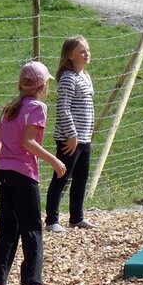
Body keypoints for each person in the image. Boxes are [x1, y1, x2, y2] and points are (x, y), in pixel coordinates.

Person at [0, 61, 67, 285]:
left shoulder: (8, 108)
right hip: (24, 174)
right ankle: (33, 279)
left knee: (7, 227)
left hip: (3, 172)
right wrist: (54, 160)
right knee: (32, 226)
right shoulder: (37, 108)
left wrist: (5, 161)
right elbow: (28, 142)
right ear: (42, 86)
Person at [45, 36, 96, 233]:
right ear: (70, 55)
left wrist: (86, 134)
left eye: (87, 50)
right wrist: (72, 135)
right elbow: (63, 108)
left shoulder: (85, 76)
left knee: (81, 178)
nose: (86, 54)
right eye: (82, 51)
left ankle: (77, 217)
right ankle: (52, 220)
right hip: (70, 138)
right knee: (62, 177)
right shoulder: (68, 78)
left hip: (84, 138)